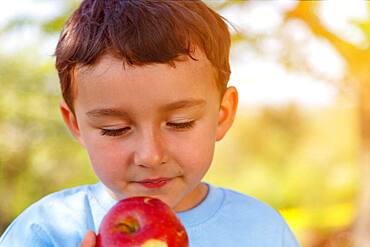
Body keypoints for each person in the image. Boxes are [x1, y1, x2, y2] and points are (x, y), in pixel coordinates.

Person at [0, 0, 300, 246]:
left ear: (222, 115)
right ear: (76, 124)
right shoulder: (43, 233)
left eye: (180, 123)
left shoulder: (263, 233)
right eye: (114, 129)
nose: (151, 155)